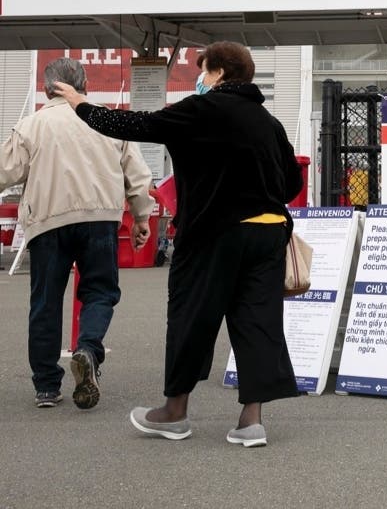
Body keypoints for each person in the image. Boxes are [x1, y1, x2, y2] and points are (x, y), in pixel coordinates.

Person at [54, 41, 304, 448]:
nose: (199, 80)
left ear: (220, 73)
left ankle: (175, 412)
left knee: (193, 316)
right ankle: (251, 421)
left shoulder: (201, 110)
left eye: (202, 72)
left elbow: (136, 126)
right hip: (268, 234)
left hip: (214, 234)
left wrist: (82, 104)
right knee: (258, 322)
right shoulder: (267, 121)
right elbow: (292, 183)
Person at [0, 57, 154, 409]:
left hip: (47, 222)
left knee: (45, 301)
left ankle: (46, 386)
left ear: (46, 88)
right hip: (100, 218)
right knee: (100, 291)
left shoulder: (31, 125)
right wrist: (142, 217)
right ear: (84, 85)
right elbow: (139, 176)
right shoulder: (105, 119)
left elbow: (5, 171)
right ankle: (87, 349)